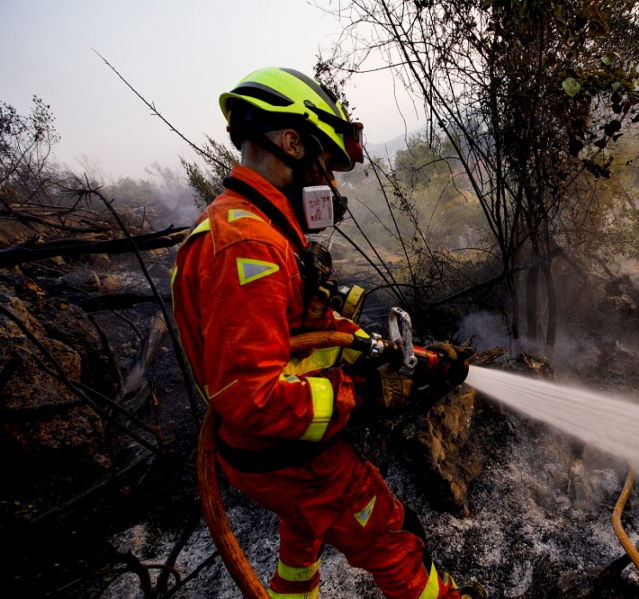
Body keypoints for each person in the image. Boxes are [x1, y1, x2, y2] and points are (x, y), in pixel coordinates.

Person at [171, 67, 484, 599]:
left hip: (274, 455)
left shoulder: (256, 229)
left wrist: (418, 362)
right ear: (291, 142)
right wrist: (364, 394)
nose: (331, 184)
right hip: (290, 455)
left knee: (302, 534)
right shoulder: (248, 247)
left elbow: (317, 334)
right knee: (394, 538)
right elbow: (254, 398)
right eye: (327, 165)